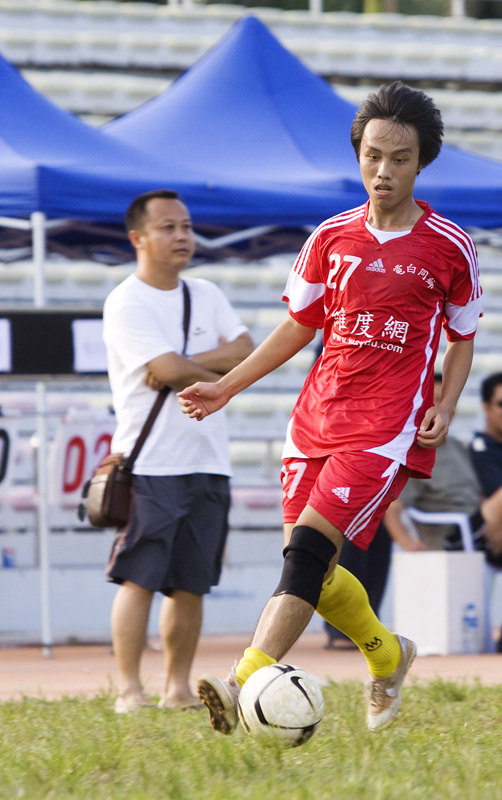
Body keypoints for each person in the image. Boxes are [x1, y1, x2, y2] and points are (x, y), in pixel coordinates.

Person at [178, 81, 483, 733]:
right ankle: (388, 654)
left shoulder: (450, 245)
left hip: (386, 428)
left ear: (421, 162)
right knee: (314, 570)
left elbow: (463, 337)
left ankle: (240, 683)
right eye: (372, 155)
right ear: (358, 155)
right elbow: (298, 326)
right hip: (315, 419)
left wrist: (448, 403)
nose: (383, 170)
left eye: (399, 157)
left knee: (307, 558)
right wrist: (227, 387)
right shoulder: (330, 238)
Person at [102, 189, 254, 713]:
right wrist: (209, 366)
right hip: (152, 463)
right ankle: (129, 689)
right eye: (167, 227)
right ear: (138, 238)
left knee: (192, 583)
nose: (182, 235)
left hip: (209, 460)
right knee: (139, 578)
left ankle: (177, 689)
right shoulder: (126, 300)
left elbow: (246, 353)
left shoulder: (207, 292)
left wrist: (183, 363)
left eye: (186, 226)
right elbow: (169, 371)